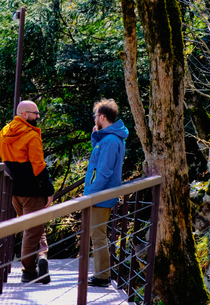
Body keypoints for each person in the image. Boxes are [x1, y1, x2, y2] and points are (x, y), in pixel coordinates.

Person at [0, 100, 55, 284]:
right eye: (35, 113)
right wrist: (49, 189)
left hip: (15, 191)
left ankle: (42, 257)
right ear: (24, 114)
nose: (38, 116)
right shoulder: (31, 135)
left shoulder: (4, 133)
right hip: (33, 191)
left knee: (35, 226)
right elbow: (38, 166)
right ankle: (28, 270)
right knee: (32, 230)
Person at [84, 99, 128, 288]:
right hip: (101, 192)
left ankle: (102, 276)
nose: (94, 119)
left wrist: (90, 195)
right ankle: (102, 274)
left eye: (96, 116)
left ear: (102, 117)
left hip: (101, 195)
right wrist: (96, 137)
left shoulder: (110, 141)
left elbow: (104, 171)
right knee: (98, 233)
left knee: (98, 234)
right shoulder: (110, 138)